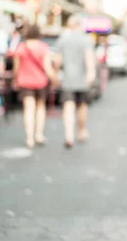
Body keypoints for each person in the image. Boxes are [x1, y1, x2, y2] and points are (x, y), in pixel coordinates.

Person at [55, 15, 96, 149]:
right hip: (82, 79)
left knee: (68, 106)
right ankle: (81, 131)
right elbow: (89, 59)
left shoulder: (63, 39)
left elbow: (57, 61)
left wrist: (56, 72)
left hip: (68, 79)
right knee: (82, 106)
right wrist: (91, 73)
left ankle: (68, 136)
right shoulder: (86, 39)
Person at [12, 25, 56, 149]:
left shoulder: (21, 47)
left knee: (28, 109)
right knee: (40, 108)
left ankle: (29, 138)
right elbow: (47, 67)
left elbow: (16, 68)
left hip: (25, 82)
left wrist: (14, 80)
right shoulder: (43, 47)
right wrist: (54, 79)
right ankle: (39, 135)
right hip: (41, 81)